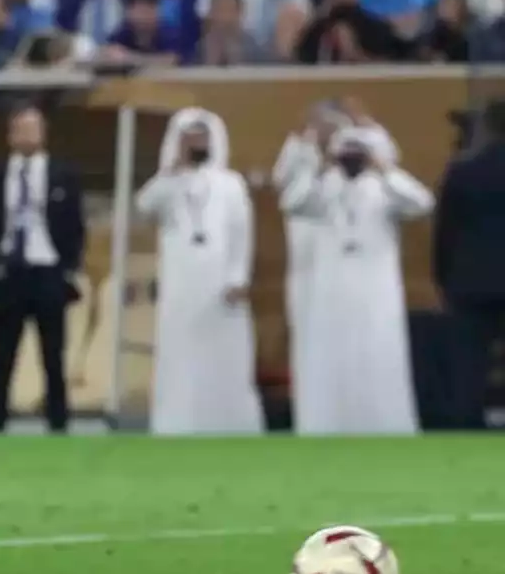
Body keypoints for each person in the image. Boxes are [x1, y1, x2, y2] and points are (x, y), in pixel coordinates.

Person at [279, 120, 433, 435]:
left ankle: (384, 423)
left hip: (376, 289)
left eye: (358, 151)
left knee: (378, 353)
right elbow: (292, 203)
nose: (351, 157)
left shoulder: (385, 187)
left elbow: (422, 202)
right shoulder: (325, 187)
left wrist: (386, 170)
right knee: (333, 356)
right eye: (345, 151)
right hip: (332, 289)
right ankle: (330, 423)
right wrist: (319, 170)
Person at [135, 108, 264, 436]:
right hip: (181, 283)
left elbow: (241, 232)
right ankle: (178, 421)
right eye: (189, 137)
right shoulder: (167, 184)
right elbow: (144, 207)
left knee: (225, 353)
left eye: (202, 136)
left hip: (221, 283)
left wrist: (239, 277)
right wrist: (170, 172)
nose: (196, 142)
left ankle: (230, 422)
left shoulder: (230, 183)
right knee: (181, 352)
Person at [273, 98, 397, 429]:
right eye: (323, 125)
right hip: (307, 272)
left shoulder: (355, 164)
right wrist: (307, 141)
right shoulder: (301, 159)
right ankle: (318, 418)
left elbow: (387, 162)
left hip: (347, 267)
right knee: (313, 351)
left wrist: (366, 123)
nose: (329, 131)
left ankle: (363, 415)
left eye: (335, 125)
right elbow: (285, 184)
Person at [0, 103, 84, 433]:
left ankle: (58, 424)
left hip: (47, 271)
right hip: (8, 271)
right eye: (23, 129)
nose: (29, 135)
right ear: (11, 136)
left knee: (53, 356)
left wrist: (68, 268)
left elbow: (75, 225)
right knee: (1, 356)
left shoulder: (63, 174)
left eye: (35, 128)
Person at [433, 98, 505, 429]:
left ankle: (466, 428)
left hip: (470, 282)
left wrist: (443, 279)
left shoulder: (462, 171)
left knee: (469, 366)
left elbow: (445, 232)